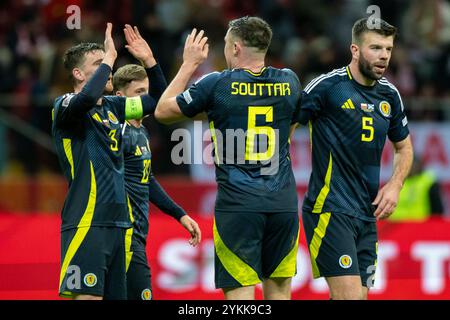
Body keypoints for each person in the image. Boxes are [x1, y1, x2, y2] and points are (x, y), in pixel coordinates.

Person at [155, 17, 301, 300]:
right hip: (282, 204)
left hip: (238, 206)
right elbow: (291, 129)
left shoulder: (217, 84)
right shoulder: (290, 81)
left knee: (240, 298)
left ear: (235, 47)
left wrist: (189, 63)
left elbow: (162, 111)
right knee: (281, 294)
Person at [295, 17, 414, 299]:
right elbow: (285, 129)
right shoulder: (326, 87)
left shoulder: (390, 95)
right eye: (376, 47)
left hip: (366, 214)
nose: (384, 55)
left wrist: (395, 185)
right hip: (330, 208)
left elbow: (405, 148)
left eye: (388, 48)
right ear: (355, 50)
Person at [52, 23, 166, 300]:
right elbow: (86, 98)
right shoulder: (65, 105)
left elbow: (157, 100)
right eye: (98, 63)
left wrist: (150, 62)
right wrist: (110, 57)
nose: (108, 68)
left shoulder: (114, 107)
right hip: (86, 220)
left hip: (119, 226)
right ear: (78, 74)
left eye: (107, 62)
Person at [112, 62, 201, 300]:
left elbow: (146, 179)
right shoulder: (116, 132)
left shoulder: (141, 131)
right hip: (123, 233)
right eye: (139, 93)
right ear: (120, 98)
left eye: (146, 92)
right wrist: (152, 61)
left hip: (138, 234)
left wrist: (180, 214)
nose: (147, 99)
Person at [389, 156, 444, 221]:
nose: (410, 168)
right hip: (395, 226)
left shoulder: (428, 182)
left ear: (420, 165)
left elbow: (437, 211)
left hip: (420, 226)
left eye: (412, 164)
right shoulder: (394, 182)